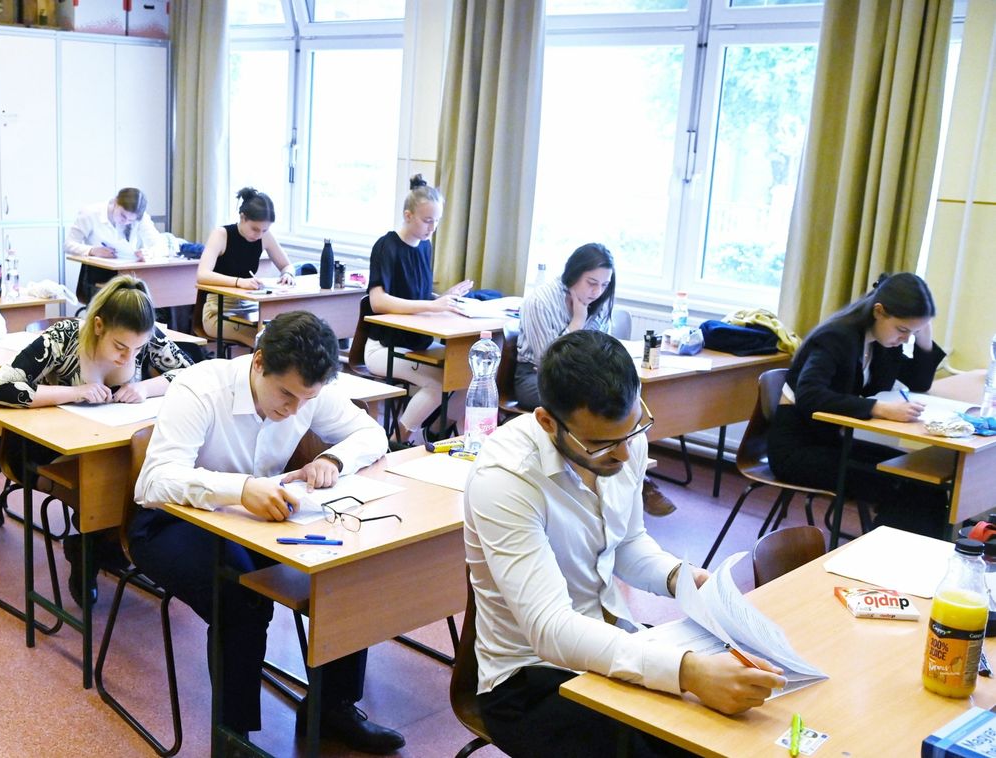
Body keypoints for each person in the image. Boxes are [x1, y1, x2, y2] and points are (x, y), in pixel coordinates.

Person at [464, 330, 785, 757]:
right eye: (602, 444)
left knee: (735, 730)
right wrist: (689, 673)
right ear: (546, 422)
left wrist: (682, 578)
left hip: (613, 641)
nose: (625, 455)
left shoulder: (625, 437)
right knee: (682, 743)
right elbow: (550, 629)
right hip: (530, 678)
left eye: (633, 431)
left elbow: (627, 543)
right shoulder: (506, 478)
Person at [131, 311, 405, 754]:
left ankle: (332, 708)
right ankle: (233, 736)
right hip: (171, 523)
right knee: (241, 595)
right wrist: (240, 488)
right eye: (286, 395)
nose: (294, 410)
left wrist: (331, 460)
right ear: (258, 362)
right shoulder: (201, 387)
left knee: (346, 570)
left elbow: (371, 434)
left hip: (255, 523)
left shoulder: (306, 390)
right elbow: (154, 482)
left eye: (306, 399)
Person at [0, 274, 194, 603]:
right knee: (118, 490)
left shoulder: (145, 335)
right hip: (52, 451)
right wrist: (75, 392)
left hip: (112, 447)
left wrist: (145, 387)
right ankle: (93, 546)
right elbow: (0, 389)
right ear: (98, 326)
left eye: (138, 349)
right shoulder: (64, 337)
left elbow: (191, 375)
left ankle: (91, 548)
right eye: (120, 347)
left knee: (143, 486)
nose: (128, 358)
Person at [768, 272, 948, 537]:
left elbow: (919, 382)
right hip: (797, 450)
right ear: (879, 311)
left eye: (913, 332)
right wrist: (878, 408)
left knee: (924, 481)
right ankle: (881, 557)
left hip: (831, 442)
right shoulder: (836, 337)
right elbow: (810, 395)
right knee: (904, 486)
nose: (905, 339)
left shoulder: (881, 341)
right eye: (902, 330)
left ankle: (915, 558)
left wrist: (923, 334)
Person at [516, 242, 678, 517]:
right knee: (590, 405)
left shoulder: (599, 304)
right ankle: (620, 482)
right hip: (536, 378)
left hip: (585, 383)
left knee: (623, 401)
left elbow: (600, 354)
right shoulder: (541, 301)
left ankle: (633, 480)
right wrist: (577, 323)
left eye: (604, 285)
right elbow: (548, 364)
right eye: (591, 283)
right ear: (573, 274)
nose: (597, 291)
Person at [364, 174, 472, 446]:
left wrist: (445, 298)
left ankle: (433, 431)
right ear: (408, 215)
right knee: (438, 383)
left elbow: (416, 298)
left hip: (416, 344)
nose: (432, 228)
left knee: (466, 377)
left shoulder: (425, 247)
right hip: (384, 347)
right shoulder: (387, 246)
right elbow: (378, 301)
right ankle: (397, 439)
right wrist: (432, 305)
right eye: (427, 221)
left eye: (437, 221)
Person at [196, 187, 295, 348]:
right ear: (242, 217)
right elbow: (202, 274)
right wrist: (239, 282)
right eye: (255, 229)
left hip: (250, 310)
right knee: (268, 342)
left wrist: (288, 274)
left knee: (282, 335)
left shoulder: (265, 237)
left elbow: (287, 265)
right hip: (218, 313)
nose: (259, 235)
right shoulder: (221, 235)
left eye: (264, 230)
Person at [63, 187, 166, 305]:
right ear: (116, 202)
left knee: (150, 294)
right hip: (98, 273)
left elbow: (161, 245)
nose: (125, 221)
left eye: (130, 220)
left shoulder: (140, 218)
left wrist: (150, 253)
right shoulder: (91, 213)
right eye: (123, 215)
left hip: (130, 273)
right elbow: (68, 245)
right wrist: (92, 250)